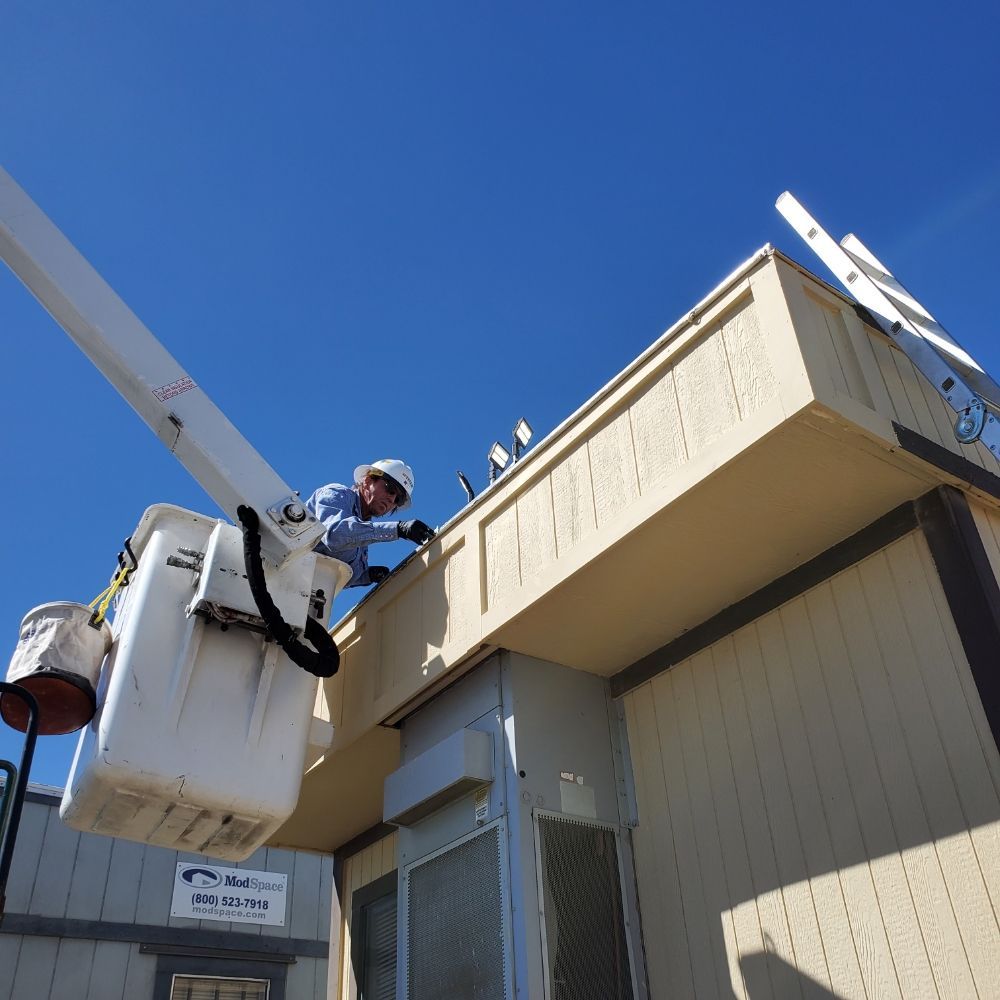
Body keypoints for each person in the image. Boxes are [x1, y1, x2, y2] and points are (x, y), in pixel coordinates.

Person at [305, 459, 435, 588]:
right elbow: (334, 534)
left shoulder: (362, 532)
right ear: (367, 480)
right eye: (390, 489)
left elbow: (339, 574)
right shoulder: (337, 494)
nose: (392, 499)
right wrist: (397, 529)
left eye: (398, 499)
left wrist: (367, 576)